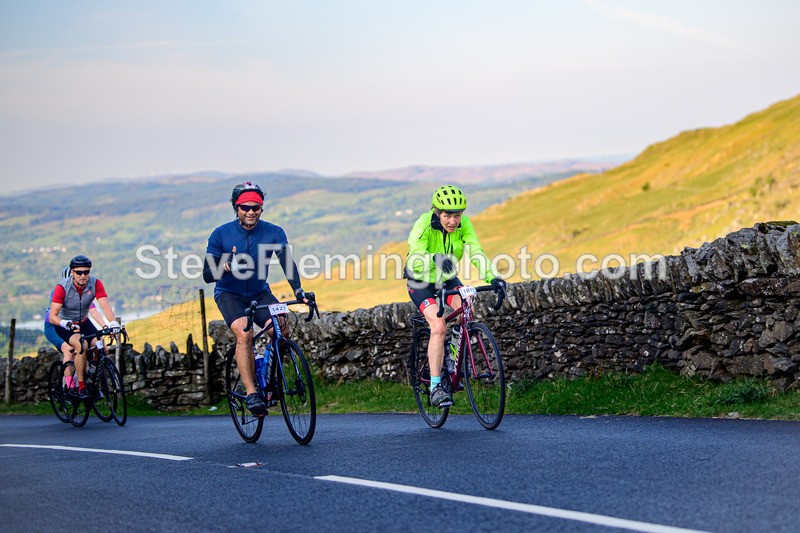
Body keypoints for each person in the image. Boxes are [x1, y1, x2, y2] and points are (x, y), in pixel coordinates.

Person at [203, 181, 312, 416]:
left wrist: (299, 291)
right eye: (245, 207)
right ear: (236, 208)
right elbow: (207, 275)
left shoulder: (274, 231)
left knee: (282, 327)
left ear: (262, 208)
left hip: (260, 293)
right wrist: (225, 266)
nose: (251, 211)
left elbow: (286, 262)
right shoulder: (221, 234)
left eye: (256, 207)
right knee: (244, 333)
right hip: (229, 294)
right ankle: (252, 393)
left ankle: (267, 375)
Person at [405, 185, 506, 408]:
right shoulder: (423, 223)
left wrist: (493, 278)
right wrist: (436, 258)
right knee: (439, 326)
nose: (453, 221)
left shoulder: (465, 224)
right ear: (437, 213)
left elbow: (476, 251)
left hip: (447, 278)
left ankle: (452, 359)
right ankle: (435, 387)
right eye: (447, 215)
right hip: (420, 280)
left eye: (457, 216)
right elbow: (415, 255)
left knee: (466, 308)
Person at [48, 255, 119, 397]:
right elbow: (52, 317)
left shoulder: (95, 284)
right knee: (82, 346)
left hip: (84, 322)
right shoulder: (62, 288)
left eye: (86, 272)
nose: (83, 275)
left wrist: (112, 323)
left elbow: (104, 305)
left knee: (100, 345)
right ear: (72, 272)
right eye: (79, 272)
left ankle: (93, 377)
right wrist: (65, 323)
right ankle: (81, 387)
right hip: (65, 325)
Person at [44, 266, 107, 389]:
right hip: (54, 326)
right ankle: (70, 386)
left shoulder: (82, 292)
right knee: (69, 350)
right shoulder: (59, 291)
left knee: (98, 345)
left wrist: (104, 326)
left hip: (76, 325)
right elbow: (54, 317)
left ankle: (90, 372)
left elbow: (93, 310)